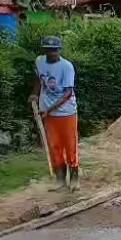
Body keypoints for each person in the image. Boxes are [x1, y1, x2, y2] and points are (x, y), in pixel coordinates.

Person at [30, 36, 80, 192]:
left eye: (54, 50)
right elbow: (39, 79)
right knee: (54, 146)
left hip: (66, 112)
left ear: (59, 50)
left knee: (70, 145)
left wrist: (48, 110)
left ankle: (74, 179)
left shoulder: (67, 67)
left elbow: (67, 93)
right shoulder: (40, 61)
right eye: (48, 50)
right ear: (44, 50)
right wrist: (35, 94)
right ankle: (60, 180)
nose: (51, 53)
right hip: (47, 113)